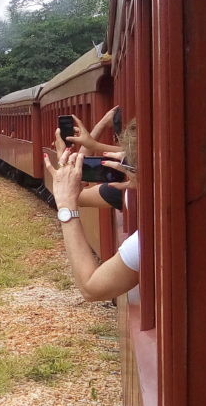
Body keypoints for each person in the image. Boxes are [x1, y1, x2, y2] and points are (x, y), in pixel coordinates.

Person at [44, 123, 139, 302]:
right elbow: (78, 194)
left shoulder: (149, 238)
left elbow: (91, 289)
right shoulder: (121, 190)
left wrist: (66, 208)